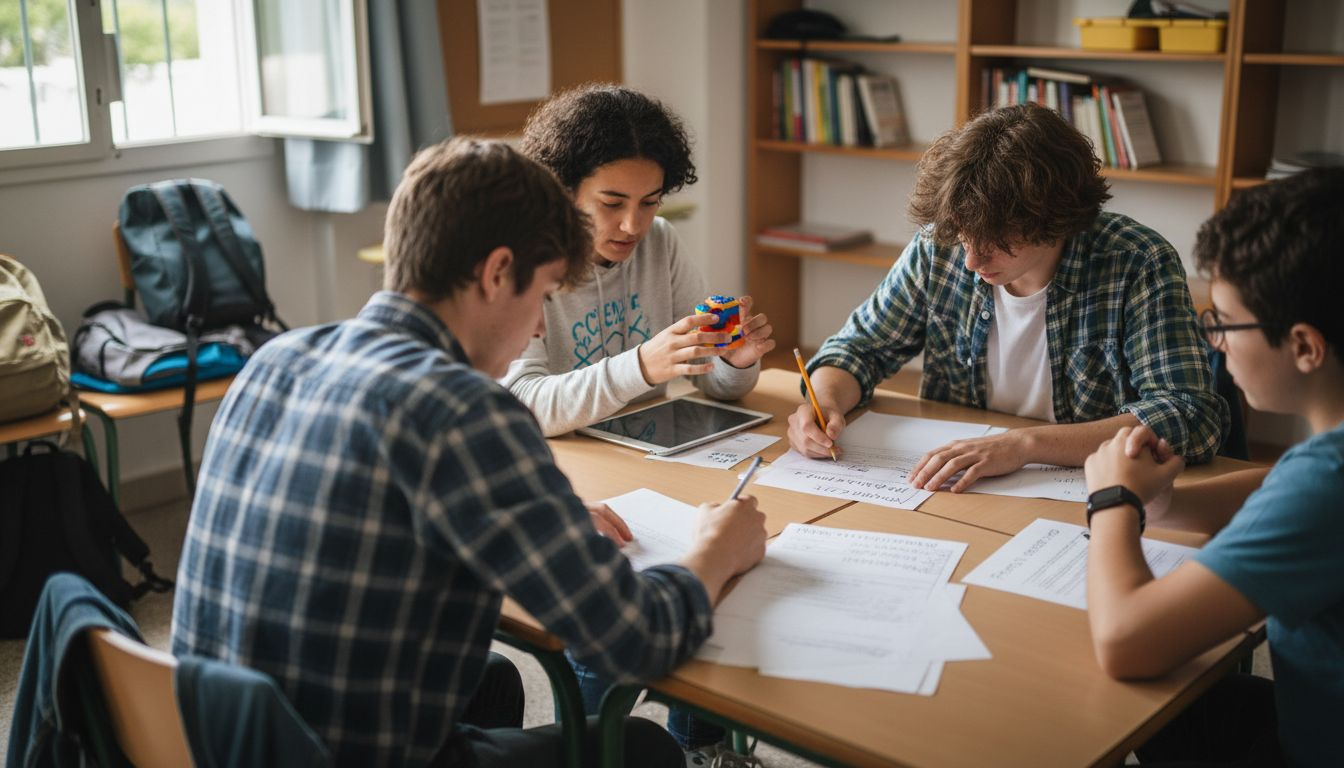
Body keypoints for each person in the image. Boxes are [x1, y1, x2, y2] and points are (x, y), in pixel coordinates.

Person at [169, 138, 768, 767]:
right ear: (496, 272)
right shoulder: (463, 411)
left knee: (494, 679)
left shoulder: (276, 357)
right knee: (641, 746)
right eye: (541, 295)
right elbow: (632, 642)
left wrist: (537, 512)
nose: (541, 326)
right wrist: (713, 553)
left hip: (215, 735)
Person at [787, 102, 1227, 492]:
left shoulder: (1137, 262)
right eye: (964, 237)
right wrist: (824, 402)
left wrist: (1025, 444)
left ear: (1054, 219)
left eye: (994, 241)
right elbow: (858, 349)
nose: (971, 262)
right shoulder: (937, 248)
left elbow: (1187, 414)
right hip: (965, 488)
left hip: (1085, 489)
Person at [1082, 167, 1344, 767]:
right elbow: (1282, 485)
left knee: (1119, 695)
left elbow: (1127, 642)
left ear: (1305, 346)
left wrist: (1113, 503)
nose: (1216, 343)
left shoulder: (1326, 484)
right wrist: (1168, 500)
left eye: (1224, 321)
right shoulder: (1323, 463)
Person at [504, 84, 776, 438]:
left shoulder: (660, 241)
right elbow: (524, 408)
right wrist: (642, 366)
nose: (633, 226)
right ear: (564, 189)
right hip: (568, 465)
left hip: (644, 452)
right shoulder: (522, 261)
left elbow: (714, 383)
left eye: (650, 202)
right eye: (612, 203)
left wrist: (732, 361)